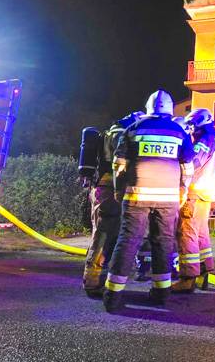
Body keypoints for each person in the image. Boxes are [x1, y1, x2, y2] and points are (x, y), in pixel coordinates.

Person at [103, 89, 194, 313]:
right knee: (163, 243)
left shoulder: (133, 129)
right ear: (171, 109)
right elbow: (188, 168)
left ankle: (113, 295)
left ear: (148, 107)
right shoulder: (179, 131)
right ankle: (161, 293)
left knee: (127, 242)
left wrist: (118, 189)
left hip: (136, 196)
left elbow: (118, 164)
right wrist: (182, 191)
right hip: (169, 198)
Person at [80, 111, 143, 298]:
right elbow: (120, 163)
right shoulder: (120, 134)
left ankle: (96, 278)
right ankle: (93, 281)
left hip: (101, 188)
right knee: (105, 235)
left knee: (102, 233)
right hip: (110, 189)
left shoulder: (111, 131)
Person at [172, 108, 215, 293]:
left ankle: (187, 278)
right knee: (201, 234)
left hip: (194, 192)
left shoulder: (204, 139)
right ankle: (203, 272)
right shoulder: (212, 136)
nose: (190, 128)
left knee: (187, 233)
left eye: (192, 124)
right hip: (205, 193)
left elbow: (193, 163)